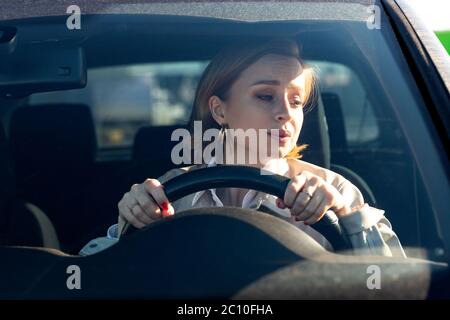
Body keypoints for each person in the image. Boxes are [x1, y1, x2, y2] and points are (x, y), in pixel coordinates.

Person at [80, 38, 406, 257]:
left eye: (296, 100)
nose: (285, 113)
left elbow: (391, 284)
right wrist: (128, 223)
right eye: (265, 96)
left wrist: (345, 215)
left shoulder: (334, 189)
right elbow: (98, 275)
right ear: (220, 110)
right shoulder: (171, 191)